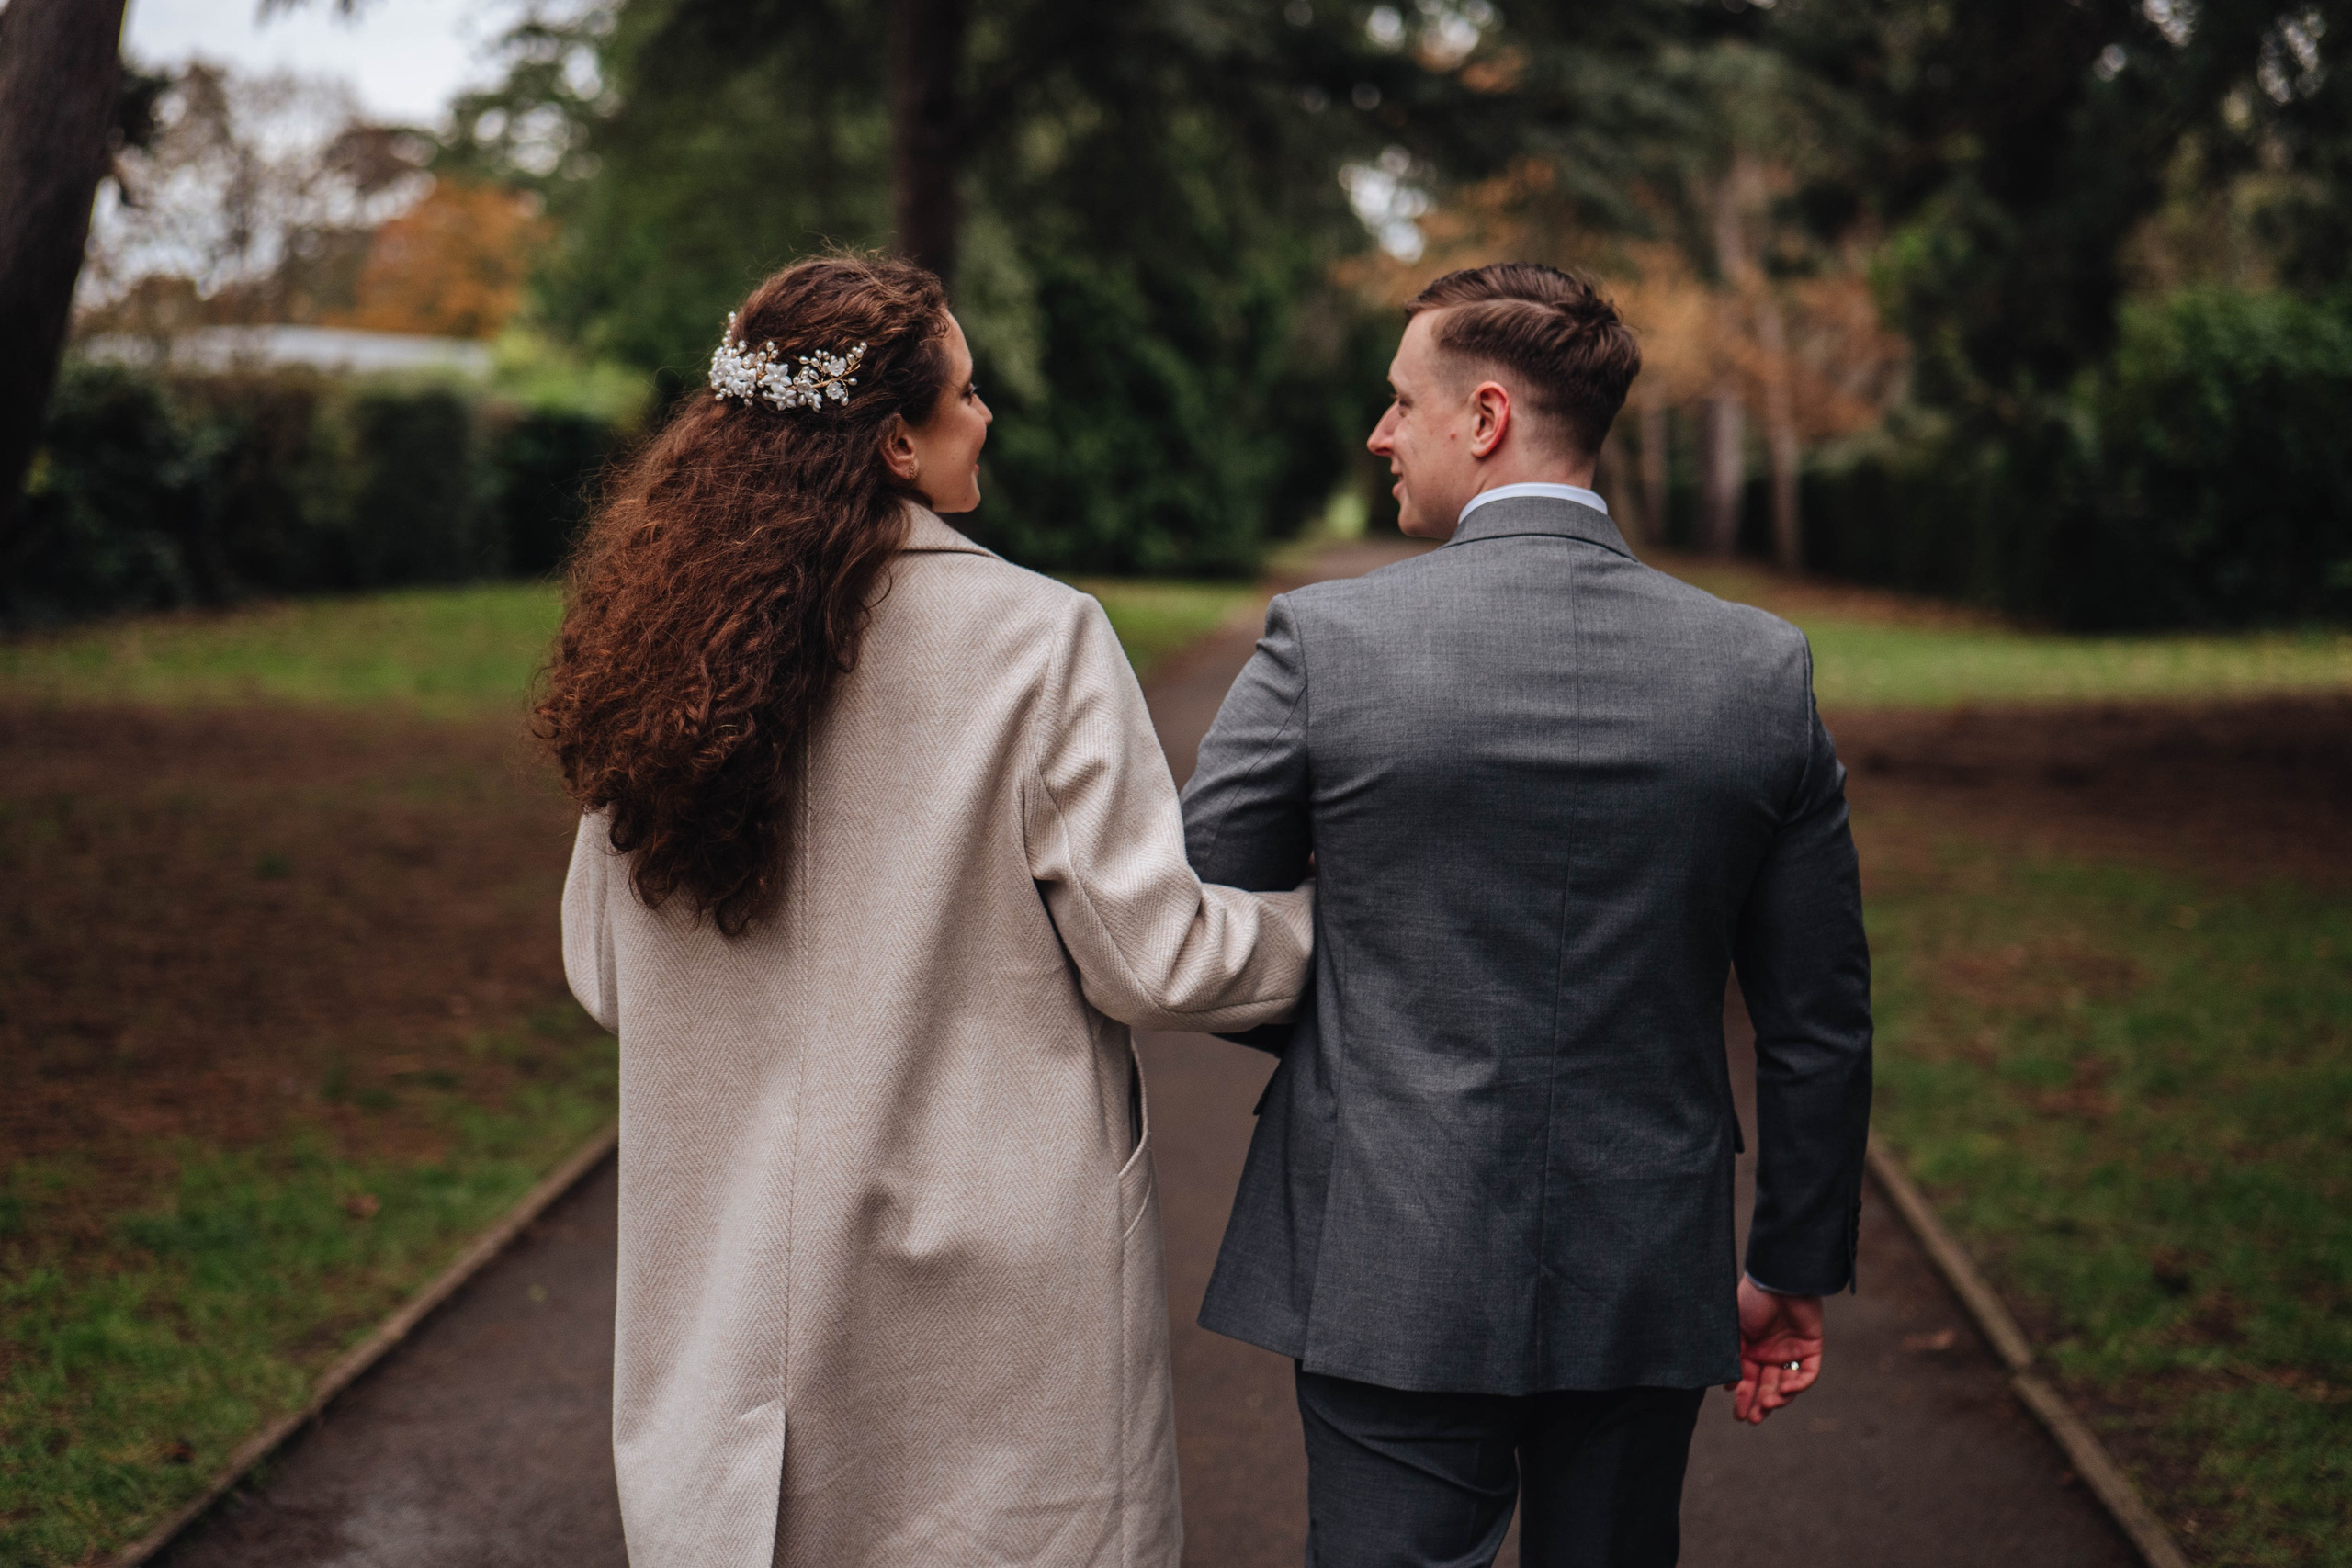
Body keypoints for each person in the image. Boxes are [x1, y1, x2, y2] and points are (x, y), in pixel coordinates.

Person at [538, 254, 1314, 1568]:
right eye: (968, 390)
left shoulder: (657, 647)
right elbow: (1156, 959)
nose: (989, 413)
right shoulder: (1037, 638)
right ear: (895, 440)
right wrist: (1329, 929)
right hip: (985, 1301)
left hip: (727, 1286)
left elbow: (607, 970)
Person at [1181, 262, 1873, 1567]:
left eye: (1400, 403)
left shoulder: (1327, 643)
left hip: (1386, 1248)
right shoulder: (1759, 670)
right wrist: (1789, 1263)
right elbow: (1819, 1012)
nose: (1381, 434)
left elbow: (1202, 924)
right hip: (1643, 1257)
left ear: (1484, 416)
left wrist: (1376, 1031)